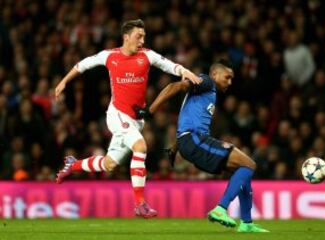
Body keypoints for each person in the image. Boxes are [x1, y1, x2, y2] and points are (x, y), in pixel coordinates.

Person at [54, 19, 201, 218]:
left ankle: (74, 165)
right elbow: (83, 65)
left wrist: (185, 71)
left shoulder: (147, 56)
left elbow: (170, 66)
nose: (142, 40)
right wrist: (63, 81)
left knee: (110, 164)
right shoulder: (109, 56)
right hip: (116, 115)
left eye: (144, 37)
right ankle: (140, 203)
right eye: (138, 36)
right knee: (140, 147)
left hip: (136, 121)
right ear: (126, 37)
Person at [135, 60, 269, 232]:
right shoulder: (206, 82)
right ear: (214, 74)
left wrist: (176, 147)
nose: (230, 82)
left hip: (190, 141)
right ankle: (221, 209)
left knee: (242, 171)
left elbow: (187, 118)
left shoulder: (207, 94)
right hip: (194, 140)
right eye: (227, 77)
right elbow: (174, 87)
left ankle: (247, 223)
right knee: (249, 164)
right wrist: (150, 111)